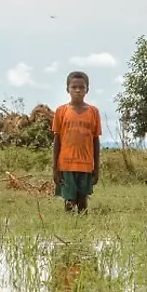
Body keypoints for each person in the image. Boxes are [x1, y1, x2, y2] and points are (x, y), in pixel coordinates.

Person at [53, 71, 101, 213]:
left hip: (86, 165)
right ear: (67, 89)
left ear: (87, 89)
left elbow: (95, 140)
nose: (78, 90)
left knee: (82, 202)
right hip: (66, 164)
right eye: (74, 87)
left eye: (82, 87)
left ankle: (81, 232)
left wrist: (96, 168)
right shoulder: (61, 111)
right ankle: (68, 229)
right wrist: (55, 168)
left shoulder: (93, 112)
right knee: (69, 201)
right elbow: (57, 140)